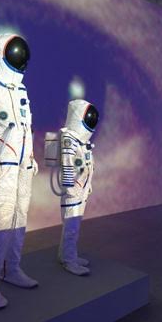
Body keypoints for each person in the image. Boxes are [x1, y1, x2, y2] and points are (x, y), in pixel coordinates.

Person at [0, 34, 39, 309]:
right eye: (14, 52)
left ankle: (11, 268)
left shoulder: (19, 89)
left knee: (19, 215)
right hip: (2, 160)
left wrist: (31, 156)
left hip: (22, 162)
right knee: (0, 218)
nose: (18, 57)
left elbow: (26, 126)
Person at [57, 99, 99, 276]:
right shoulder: (69, 139)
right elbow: (67, 165)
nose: (91, 121)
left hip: (81, 188)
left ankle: (67, 255)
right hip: (73, 191)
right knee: (71, 227)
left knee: (73, 226)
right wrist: (70, 189)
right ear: (78, 117)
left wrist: (87, 185)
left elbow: (87, 165)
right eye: (88, 117)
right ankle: (69, 261)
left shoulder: (81, 141)